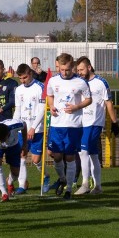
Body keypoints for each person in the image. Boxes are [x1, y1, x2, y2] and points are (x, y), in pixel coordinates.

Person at [46, 53, 92, 200]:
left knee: (70, 157)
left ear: (72, 66)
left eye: (67, 70)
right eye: (62, 70)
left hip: (73, 125)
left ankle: (69, 188)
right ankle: (63, 179)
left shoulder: (81, 82)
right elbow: (50, 95)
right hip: (57, 124)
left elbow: (89, 99)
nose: (64, 73)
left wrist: (76, 106)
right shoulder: (53, 81)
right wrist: (51, 106)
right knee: (57, 155)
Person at [74, 56, 119, 195]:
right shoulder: (78, 82)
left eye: (81, 69)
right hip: (81, 123)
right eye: (78, 70)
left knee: (83, 151)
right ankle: (98, 186)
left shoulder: (101, 83)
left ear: (89, 67)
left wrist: (114, 122)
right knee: (93, 154)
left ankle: (85, 183)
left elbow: (109, 103)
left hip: (94, 122)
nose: (80, 72)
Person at [13, 63, 47, 194]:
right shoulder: (19, 89)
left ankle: (46, 176)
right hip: (23, 129)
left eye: (25, 78)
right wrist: (15, 125)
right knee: (22, 154)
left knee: (35, 159)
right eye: (20, 78)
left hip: (37, 129)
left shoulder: (40, 87)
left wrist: (33, 127)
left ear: (31, 74)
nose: (23, 81)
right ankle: (22, 185)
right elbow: (18, 109)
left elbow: (42, 110)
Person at [0, 119, 28, 202]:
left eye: (4, 139)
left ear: (8, 133)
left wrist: (25, 144)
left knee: (16, 173)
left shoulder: (15, 125)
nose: (3, 142)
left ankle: (9, 181)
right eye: (1, 140)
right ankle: (4, 193)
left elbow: (24, 125)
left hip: (13, 146)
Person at [0, 59, 17, 124]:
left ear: (3, 70)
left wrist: (0, 110)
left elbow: (13, 102)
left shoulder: (11, 83)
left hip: (6, 119)